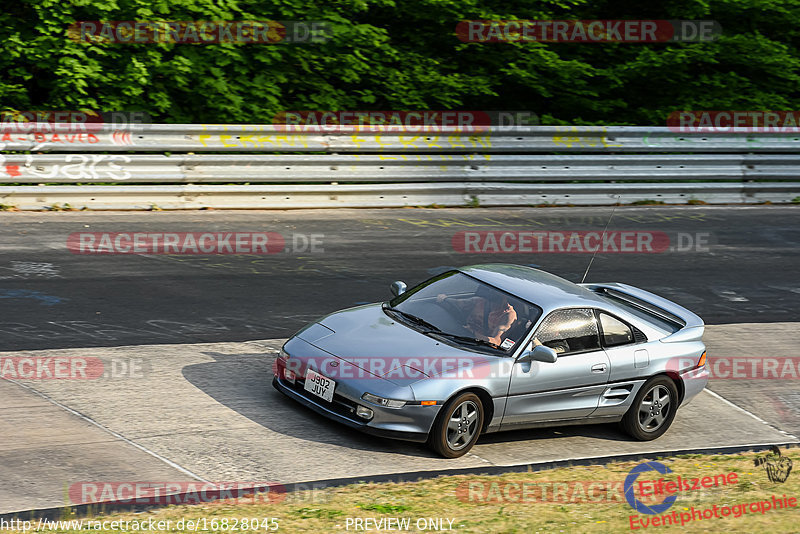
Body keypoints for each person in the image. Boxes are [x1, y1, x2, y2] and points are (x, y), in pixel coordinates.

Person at [437, 291, 517, 347]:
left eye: (501, 297)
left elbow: (495, 342)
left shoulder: (508, 316)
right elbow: (456, 302)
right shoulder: (479, 302)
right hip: (457, 336)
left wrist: (472, 333)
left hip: (478, 346)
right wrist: (444, 299)